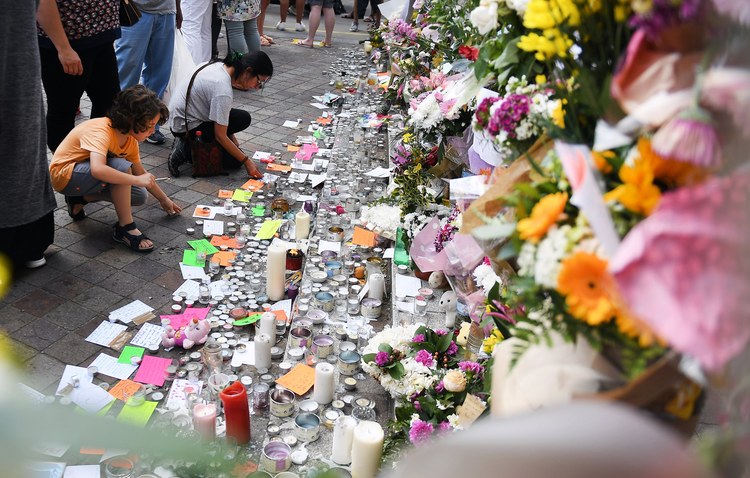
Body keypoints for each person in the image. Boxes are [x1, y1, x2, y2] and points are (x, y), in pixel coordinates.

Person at [49, 86, 182, 253]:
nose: (152, 130)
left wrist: (164, 200)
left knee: (139, 195)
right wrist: (135, 179)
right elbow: (98, 170)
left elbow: (142, 174)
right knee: (122, 167)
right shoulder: (101, 130)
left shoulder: (130, 140)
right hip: (63, 175)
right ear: (131, 119)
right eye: (150, 125)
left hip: (83, 177)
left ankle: (80, 199)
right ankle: (125, 228)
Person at [0, 0, 57, 273]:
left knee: (24, 144)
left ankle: (28, 244)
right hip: (21, 62)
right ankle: (30, 245)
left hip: (21, 63)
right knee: (24, 145)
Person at [167, 51, 272, 179]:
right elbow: (220, 135)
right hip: (186, 126)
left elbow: (223, 116)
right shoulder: (222, 89)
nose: (256, 87)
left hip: (182, 116)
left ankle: (188, 142)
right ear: (248, 71)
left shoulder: (219, 65)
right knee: (236, 161)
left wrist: (235, 144)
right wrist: (247, 161)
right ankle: (185, 149)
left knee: (243, 118)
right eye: (259, 81)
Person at [37, 0, 121, 152]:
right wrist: (63, 48)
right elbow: (43, 3)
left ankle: (96, 158)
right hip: (68, 43)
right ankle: (65, 166)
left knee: (109, 105)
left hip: (101, 38)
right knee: (63, 111)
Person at [115, 0, 182, 145]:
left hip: (166, 11)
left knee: (160, 74)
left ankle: (149, 124)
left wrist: (178, 8)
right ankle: (119, 123)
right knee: (127, 72)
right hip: (134, 9)